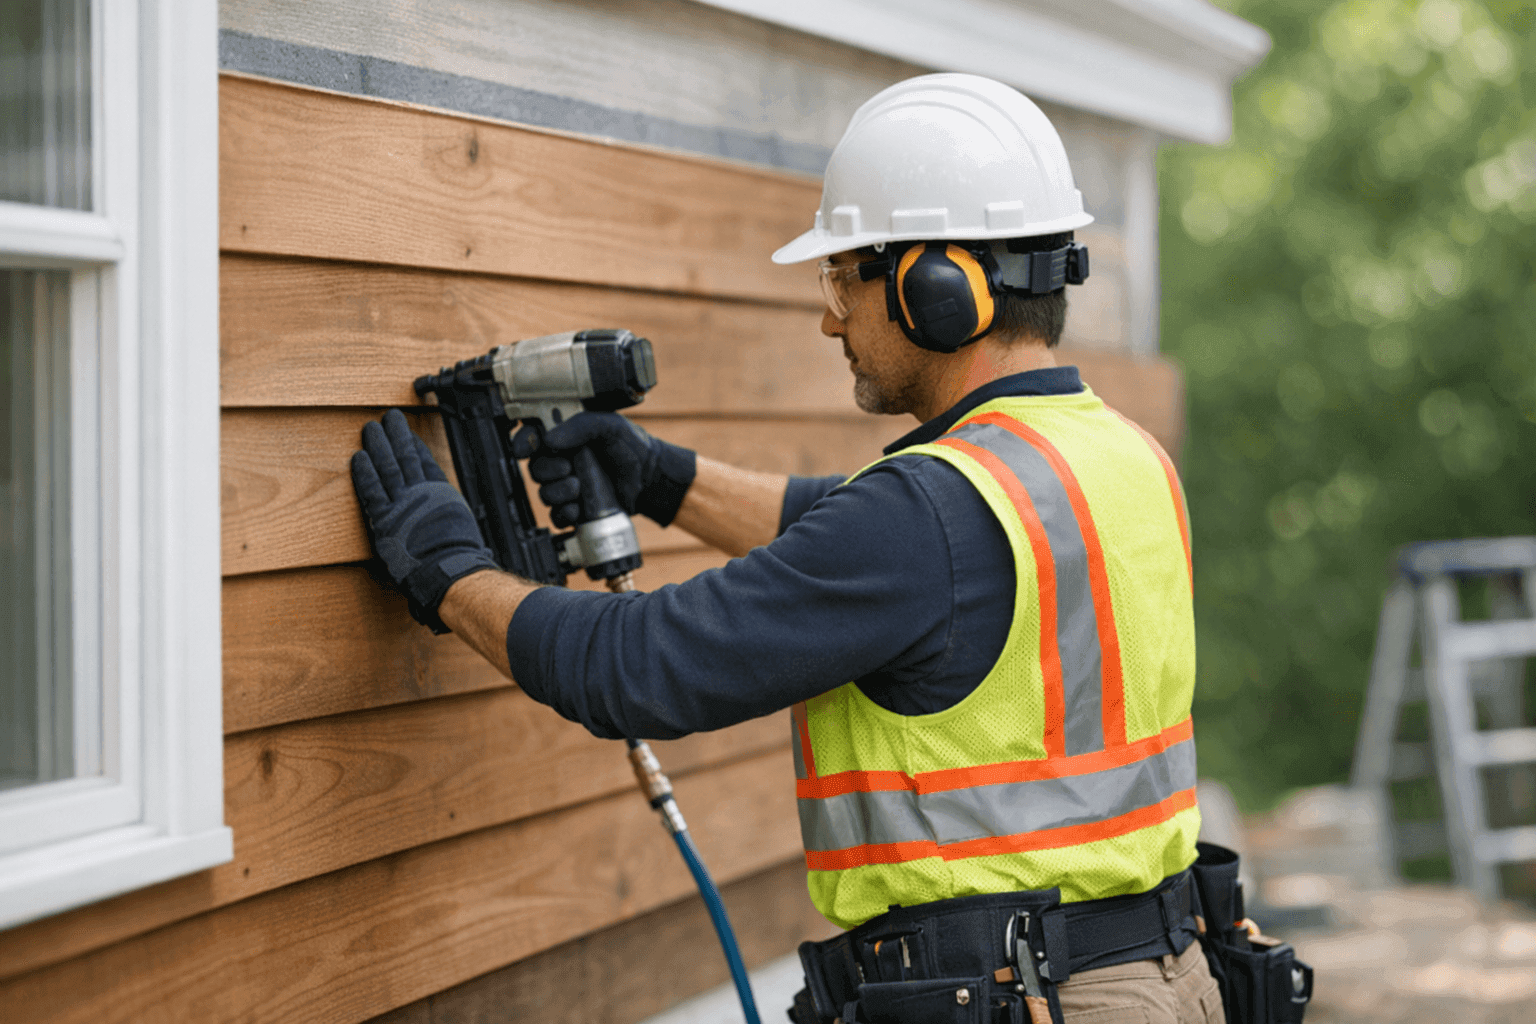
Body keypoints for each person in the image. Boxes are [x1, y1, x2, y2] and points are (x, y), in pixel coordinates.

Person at [351, 74, 1215, 1024]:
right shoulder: (1117, 457)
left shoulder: (925, 514)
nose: (830, 316)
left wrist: (451, 574)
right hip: (1160, 976)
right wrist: (660, 478)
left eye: (844, 277)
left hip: (1029, 999)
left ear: (941, 290)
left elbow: (636, 668)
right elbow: (853, 534)